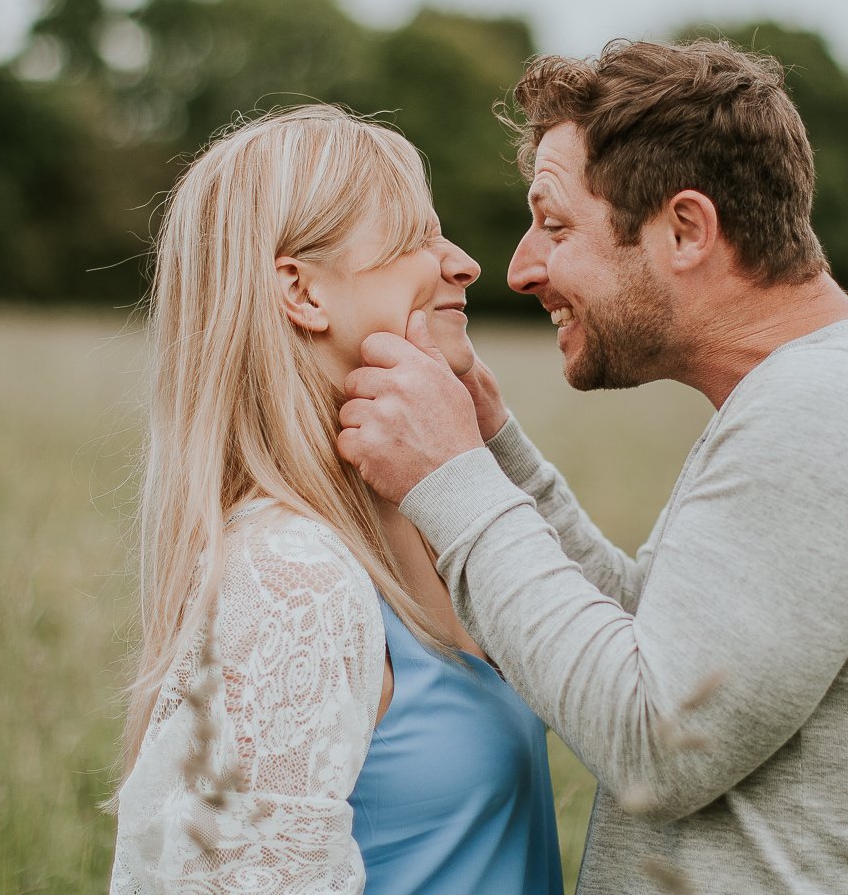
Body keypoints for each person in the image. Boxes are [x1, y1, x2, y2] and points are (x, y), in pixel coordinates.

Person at [339, 39, 848, 894]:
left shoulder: (834, 410)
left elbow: (658, 739)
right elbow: (664, 650)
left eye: (556, 223)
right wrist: (494, 446)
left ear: (684, 229)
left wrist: (452, 480)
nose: (521, 267)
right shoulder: (810, 394)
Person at [110, 106, 564, 895]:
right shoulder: (291, 571)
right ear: (302, 292)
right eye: (417, 239)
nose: (464, 264)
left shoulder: (431, 518)